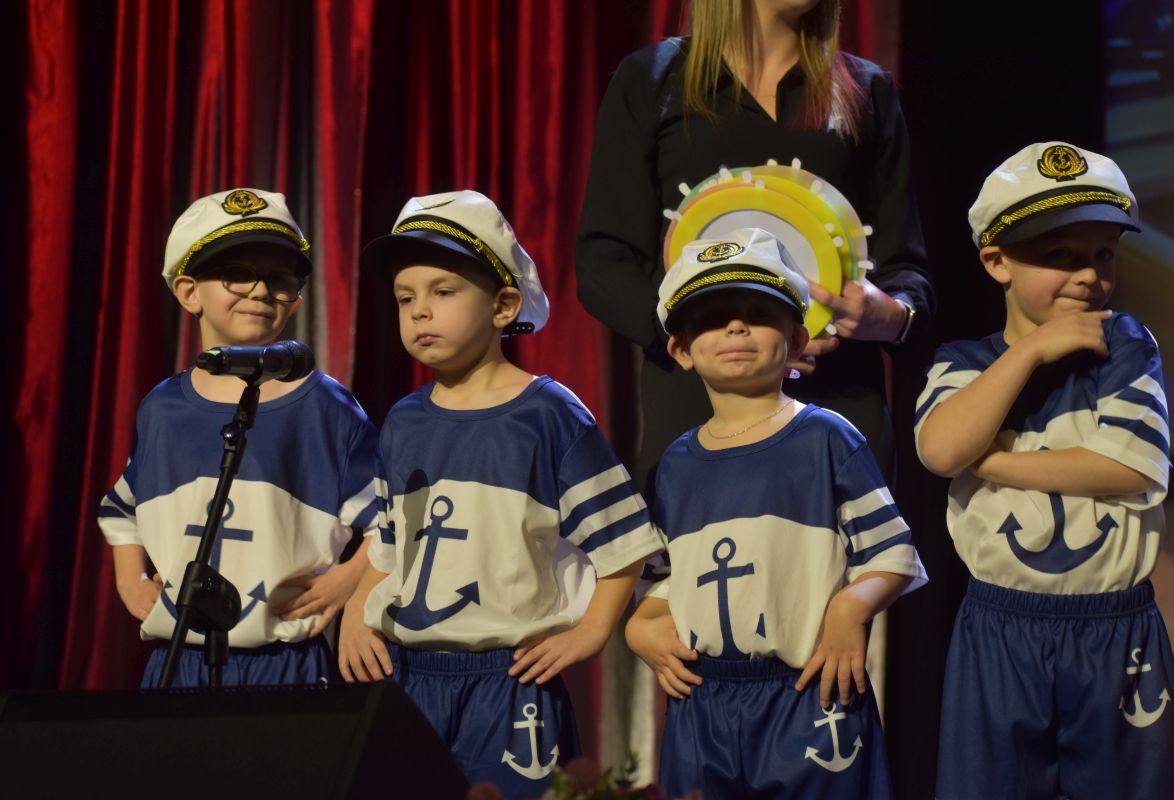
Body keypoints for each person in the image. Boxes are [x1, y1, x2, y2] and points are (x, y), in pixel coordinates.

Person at [340, 190, 662, 798]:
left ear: (503, 305)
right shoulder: (404, 420)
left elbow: (625, 544)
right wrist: (358, 613)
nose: (420, 311)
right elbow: (389, 542)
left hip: (511, 685)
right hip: (411, 682)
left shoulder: (548, 415)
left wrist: (589, 633)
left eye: (443, 292)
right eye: (405, 298)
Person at [914, 142, 1174, 800]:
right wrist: (1031, 351)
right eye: (1061, 256)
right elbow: (942, 451)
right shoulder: (962, 362)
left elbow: (1131, 467)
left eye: (1103, 255)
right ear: (997, 262)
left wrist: (996, 462)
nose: (1088, 276)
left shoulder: (1124, 345)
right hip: (1000, 630)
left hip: (1115, 629)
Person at [575, 0, 933, 488]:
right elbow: (604, 263)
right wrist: (694, 337)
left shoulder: (865, 90)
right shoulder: (653, 80)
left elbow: (906, 270)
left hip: (838, 410)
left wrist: (890, 317)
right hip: (698, 412)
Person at [626, 227, 927, 798]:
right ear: (680, 349)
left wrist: (848, 609)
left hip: (809, 695)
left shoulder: (827, 438)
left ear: (796, 338)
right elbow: (662, 578)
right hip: (703, 705)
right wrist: (643, 625)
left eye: (757, 314)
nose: (736, 328)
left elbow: (892, 553)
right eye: (712, 319)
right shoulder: (675, 464)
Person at [98, 188, 379, 687]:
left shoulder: (326, 407)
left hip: (285, 664)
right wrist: (132, 583)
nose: (260, 290)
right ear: (189, 292)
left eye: (279, 278)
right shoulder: (162, 409)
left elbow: (392, 519)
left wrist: (346, 584)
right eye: (237, 273)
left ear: (294, 300)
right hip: (178, 661)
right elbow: (122, 510)